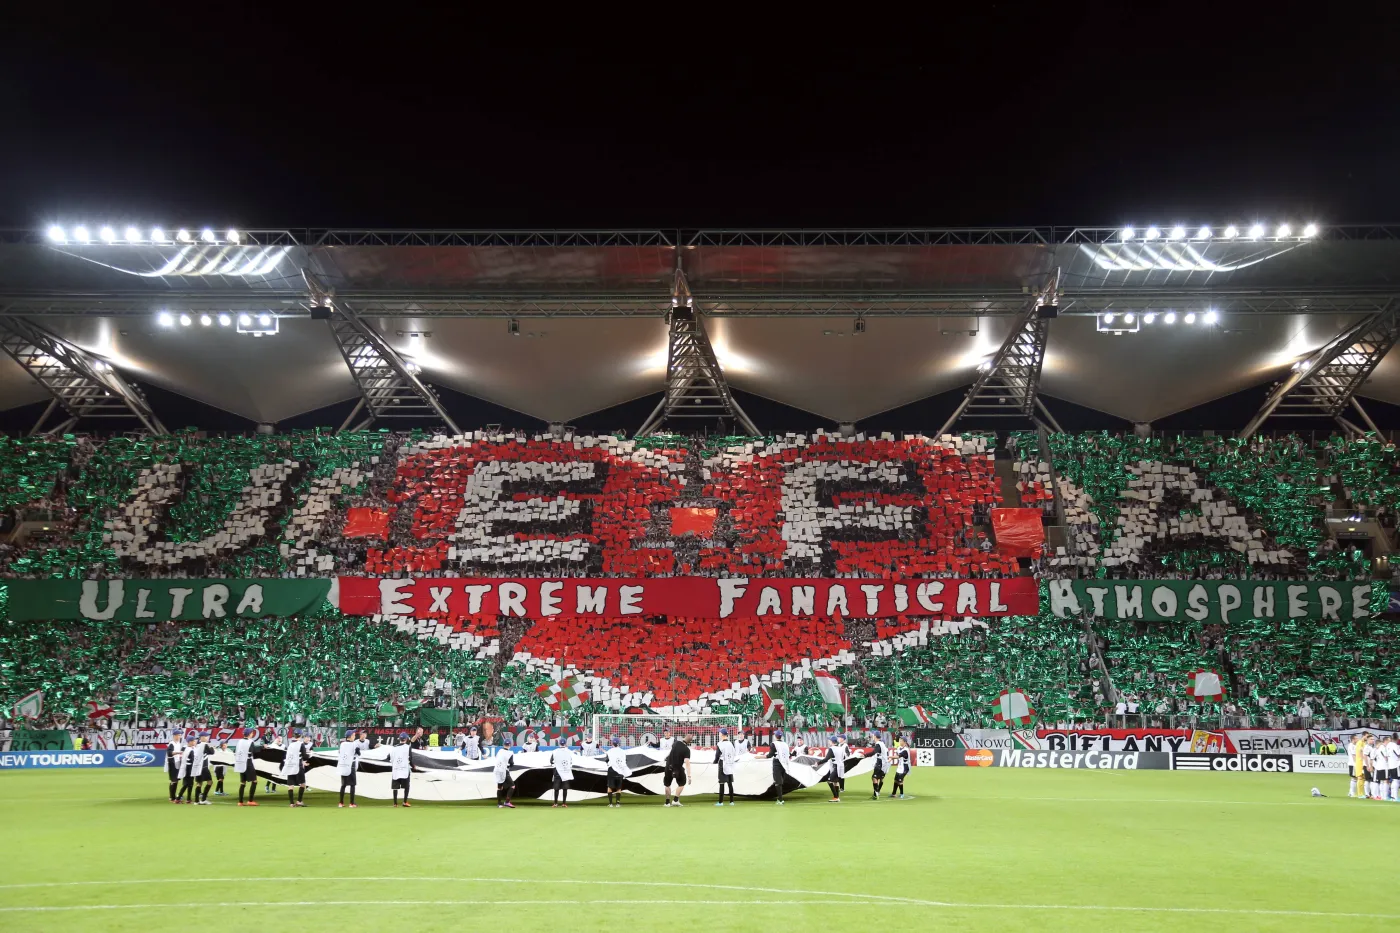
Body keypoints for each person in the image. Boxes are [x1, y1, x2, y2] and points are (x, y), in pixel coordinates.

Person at [337, 728, 369, 809]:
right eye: (353, 735)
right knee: (352, 785)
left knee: (343, 785)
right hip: (351, 765)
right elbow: (358, 753)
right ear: (350, 736)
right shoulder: (354, 744)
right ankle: (351, 803)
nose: (354, 736)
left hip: (343, 765)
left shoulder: (342, 744)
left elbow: (340, 752)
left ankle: (341, 802)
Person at [282, 727, 311, 808]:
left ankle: (291, 803)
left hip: (290, 766)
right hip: (298, 766)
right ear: (301, 735)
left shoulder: (290, 745)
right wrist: (310, 755)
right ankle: (299, 801)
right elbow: (305, 756)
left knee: (290, 785)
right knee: (303, 784)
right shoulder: (300, 744)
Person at [233, 729, 260, 807]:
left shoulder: (239, 741)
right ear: (249, 734)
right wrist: (262, 747)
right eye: (252, 733)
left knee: (242, 782)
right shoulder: (250, 742)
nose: (252, 734)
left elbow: (235, 751)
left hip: (240, 762)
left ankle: (240, 801)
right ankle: (250, 800)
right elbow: (253, 750)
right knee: (254, 781)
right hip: (247, 762)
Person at [664, 732, 692, 807]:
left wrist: (667, 758)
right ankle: (675, 800)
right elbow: (687, 763)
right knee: (682, 783)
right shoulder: (687, 750)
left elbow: (671, 752)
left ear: (684, 737)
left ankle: (667, 802)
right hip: (678, 768)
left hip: (668, 766)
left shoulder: (675, 743)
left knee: (667, 784)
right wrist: (689, 776)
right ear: (690, 742)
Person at [714, 728, 738, 806]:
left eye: (719, 733)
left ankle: (721, 802)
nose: (719, 734)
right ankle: (731, 801)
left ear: (722, 734)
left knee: (722, 783)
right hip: (730, 764)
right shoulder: (730, 743)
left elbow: (717, 755)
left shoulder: (720, 744)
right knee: (730, 783)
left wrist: (715, 761)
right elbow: (734, 753)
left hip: (723, 763)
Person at [605, 736, 631, 808]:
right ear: (619, 743)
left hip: (611, 770)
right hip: (620, 771)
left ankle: (610, 804)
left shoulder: (609, 751)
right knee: (618, 787)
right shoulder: (623, 752)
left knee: (610, 786)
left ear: (612, 743)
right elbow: (625, 761)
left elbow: (606, 760)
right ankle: (617, 803)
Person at [190, 731, 215, 805]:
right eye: (206, 736)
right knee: (210, 782)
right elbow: (211, 752)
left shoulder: (197, 745)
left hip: (197, 766)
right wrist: (212, 747)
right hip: (203, 766)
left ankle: (196, 801)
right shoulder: (205, 745)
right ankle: (203, 799)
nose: (207, 738)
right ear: (202, 737)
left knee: (199, 783)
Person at [767, 728, 790, 805]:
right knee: (781, 781)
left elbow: (770, 755)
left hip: (777, 762)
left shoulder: (774, 744)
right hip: (784, 763)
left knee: (777, 781)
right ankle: (780, 798)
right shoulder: (785, 744)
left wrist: (763, 756)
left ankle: (780, 799)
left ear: (775, 736)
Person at [388, 732, 413, 807]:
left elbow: (388, 757)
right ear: (406, 739)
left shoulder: (394, 748)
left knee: (395, 787)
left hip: (396, 769)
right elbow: (410, 758)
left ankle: (395, 803)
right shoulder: (408, 747)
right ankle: (405, 801)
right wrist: (413, 766)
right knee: (407, 786)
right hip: (404, 769)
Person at [550, 742, 574, 808]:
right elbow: (572, 760)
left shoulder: (555, 751)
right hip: (565, 772)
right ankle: (564, 803)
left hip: (557, 772)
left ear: (559, 744)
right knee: (565, 788)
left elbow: (551, 761)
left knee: (556, 788)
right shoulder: (569, 751)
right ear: (565, 744)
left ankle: (555, 803)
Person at [824, 735, 846, 802]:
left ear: (831, 742)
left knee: (829, 781)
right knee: (835, 782)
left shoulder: (831, 749)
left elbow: (826, 759)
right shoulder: (840, 748)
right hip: (840, 766)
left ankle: (836, 797)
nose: (828, 742)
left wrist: (818, 763)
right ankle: (837, 797)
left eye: (829, 740)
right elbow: (844, 757)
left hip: (836, 766)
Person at [494, 744, 517, 809]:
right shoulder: (510, 753)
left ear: (504, 745)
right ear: (509, 745)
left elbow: (496, 758)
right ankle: (507, 802)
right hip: (504, 770)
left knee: (499, 787)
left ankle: (499, 803)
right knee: (512, 786)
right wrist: (510, 766)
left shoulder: (500, 751)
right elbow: (511, 763)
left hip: (497, 770)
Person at [167, 732, 186, 803]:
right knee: (173, 780)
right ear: (174, 736)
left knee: (176, 780)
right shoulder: (172, 743)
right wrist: (178, 752)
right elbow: (169, 753)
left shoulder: (178, 743)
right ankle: (172, 797)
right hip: (172, 762)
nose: (179, 737)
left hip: (177, 762)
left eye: (180, 735)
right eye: (178, 735)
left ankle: (173, 796)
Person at [869, 732, 889, 800]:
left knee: (874, 778)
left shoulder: (878, 744)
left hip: (881, 763)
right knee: (878, 778)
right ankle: (876, 793)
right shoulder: (882, 744)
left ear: (875, 736)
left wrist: (865, 755)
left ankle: (876, 793)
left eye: (873, 736)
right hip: (883, 764)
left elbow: (873, 752)